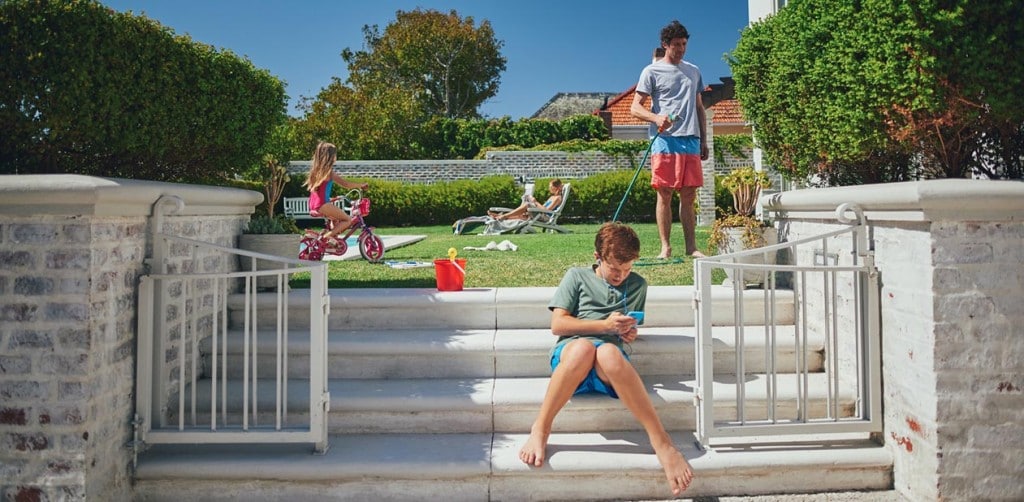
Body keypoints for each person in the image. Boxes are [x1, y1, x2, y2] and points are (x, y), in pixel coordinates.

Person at [518, 222, 694, 497]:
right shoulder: (576, 277)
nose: (621, 276)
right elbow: (558, 325)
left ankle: (662, 443)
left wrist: (627, 331)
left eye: (628, 269)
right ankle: (540, 428)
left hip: (607, 365)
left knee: (608, 352)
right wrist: (605, 326)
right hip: (572, 356)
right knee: (584, 349)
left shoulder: (637, 285)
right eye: (615, 269)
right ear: (597, 257)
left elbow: (628, 327)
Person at [630, 20, 708, 260]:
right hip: (665, 141)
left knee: (689, 195)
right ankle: (665, 247)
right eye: (676, 44)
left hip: (691, 140)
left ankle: (691, 247)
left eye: (684, 44)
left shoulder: (693, 71)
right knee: (664, 194)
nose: (681, 48)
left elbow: (699, 107)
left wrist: (703, 140)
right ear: (665, 45)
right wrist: (656, 117)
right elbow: (635, 108)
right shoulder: (651, 72)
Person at [303, 142, 369, 243]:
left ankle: (333, 241)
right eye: (335, 154)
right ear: (331, 157)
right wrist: (361, 185)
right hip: (323, 204)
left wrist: (330, 199)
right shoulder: (329, 172)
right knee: (347, 220)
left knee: (336, 220)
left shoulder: (316, 171)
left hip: (314, 204)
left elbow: (319, 192)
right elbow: (346, 184)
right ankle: (325, 238)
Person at [488, 178, 564, 221]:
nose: (549, 189)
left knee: (527, 205)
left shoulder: (557, 198)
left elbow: (547, 210)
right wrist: (534, 205)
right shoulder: (552, 197)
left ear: (555, 187)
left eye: (550, 187)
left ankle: (503, 216)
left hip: (546, 217)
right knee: (523, 214)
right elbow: (542, 208)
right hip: (541, 214)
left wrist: (535, 202)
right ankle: (500, 216)